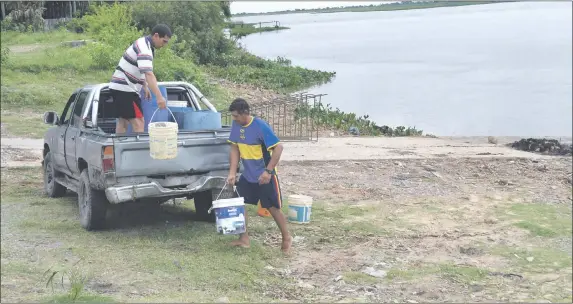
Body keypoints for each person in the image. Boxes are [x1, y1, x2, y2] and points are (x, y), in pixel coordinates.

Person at [226, 98, 292, 253]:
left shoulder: (260, 126)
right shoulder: (236, 126)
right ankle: (244, 239)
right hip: (247, 175)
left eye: (236, 116)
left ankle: (286, 237)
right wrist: (232, 173)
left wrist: (268, 172)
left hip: (264, 175)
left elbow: (278, 148)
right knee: (238, 203)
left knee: (273, 208)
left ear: (244, 113)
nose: (233, 119)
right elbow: (235, 148)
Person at [108, 24, 172, 134]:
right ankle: (137, 151)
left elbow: (138, 68)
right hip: (125, 88)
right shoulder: (144, 49)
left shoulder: (144, 43)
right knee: (139, 122)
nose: (164, 45)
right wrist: (159, 97)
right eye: (164, 41)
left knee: (123, 122)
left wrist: (144, 85)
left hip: (120, 86)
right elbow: (149, 74)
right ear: (156, 36)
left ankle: (120, 149)